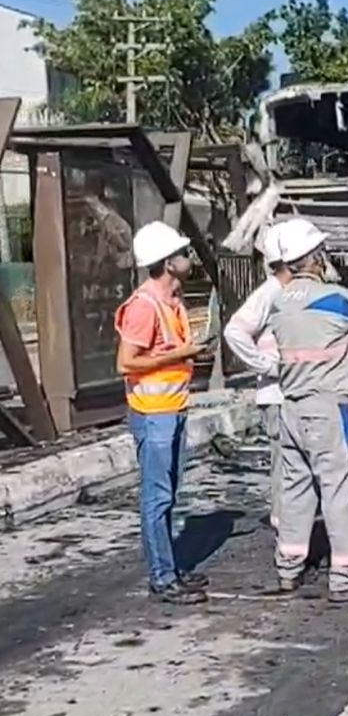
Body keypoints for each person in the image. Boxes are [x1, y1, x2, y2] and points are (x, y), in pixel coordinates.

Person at [267, 221, 348, 604]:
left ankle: (288, 569)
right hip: (330, 409)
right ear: (317, 258)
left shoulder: (279, 301)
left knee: (294, 490)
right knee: (342, 490)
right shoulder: (334, 297)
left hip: (290, 409)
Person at [115, 221, 212, 605]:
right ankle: (162, 577)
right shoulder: (145, 305)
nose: (188, 257)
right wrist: (184, 354)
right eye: (182, 253)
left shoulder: (172, 301)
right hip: (153, 414)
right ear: (167, 263)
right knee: (156, 498)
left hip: (172, 409)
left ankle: (169, 569)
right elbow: (126, 362)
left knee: (167, 495)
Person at [223, 220, 303, 531]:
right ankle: (285, 524)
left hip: (294, 392)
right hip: (277, 395)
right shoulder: (270, 293)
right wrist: (267, 365)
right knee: (285, 463)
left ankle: (296, 522)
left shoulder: (293, 293)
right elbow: (234, 331)